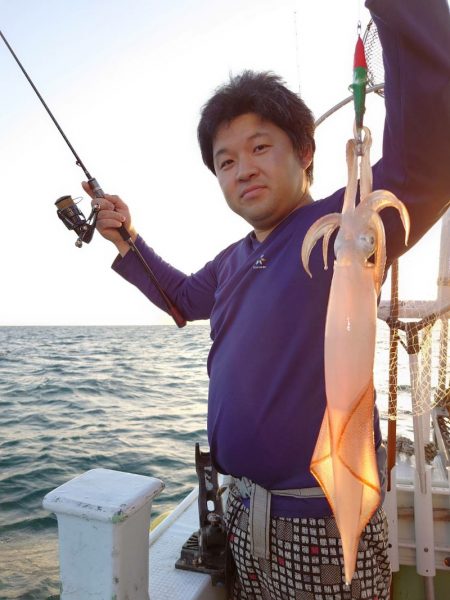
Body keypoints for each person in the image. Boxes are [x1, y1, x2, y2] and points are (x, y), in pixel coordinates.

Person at [83, 0, 450, 598]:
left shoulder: (342, 225)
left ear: (305, 152)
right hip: (243, 509)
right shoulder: (232, 261)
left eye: (259, 147)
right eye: (225, 161)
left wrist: (401, 10)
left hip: (324, 517)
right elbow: (179, 298)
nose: (242, 170)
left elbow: (429, 163)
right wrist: (128, 239)